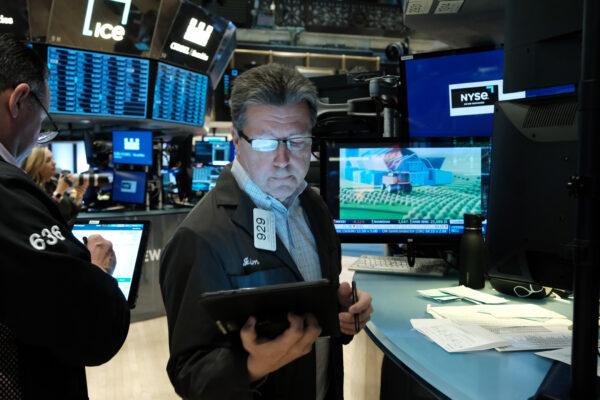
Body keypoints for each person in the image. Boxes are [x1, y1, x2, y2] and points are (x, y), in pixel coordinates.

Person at [160, 63, 373, 400]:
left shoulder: (314, 206)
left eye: (298, 141)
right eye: (264, 143)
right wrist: (254, 366)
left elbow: (316, 319)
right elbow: (190, 374)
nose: (283, 159)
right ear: (236, 140)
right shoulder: (200, 238)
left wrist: (339, 313)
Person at [0, 33, 130, 399]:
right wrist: (96, 269)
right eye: (42, 122)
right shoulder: (8, 193)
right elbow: (94, 327)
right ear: (20, 99)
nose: (39, 135)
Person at [21, 146, 89, 223]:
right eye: (48, 160)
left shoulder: (52, 183)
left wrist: (79, 194)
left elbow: (70, 214)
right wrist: (59, 191)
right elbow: (46, 216)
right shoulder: (28, 189)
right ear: (37, 166)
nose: (54, 162)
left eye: (52, 158)